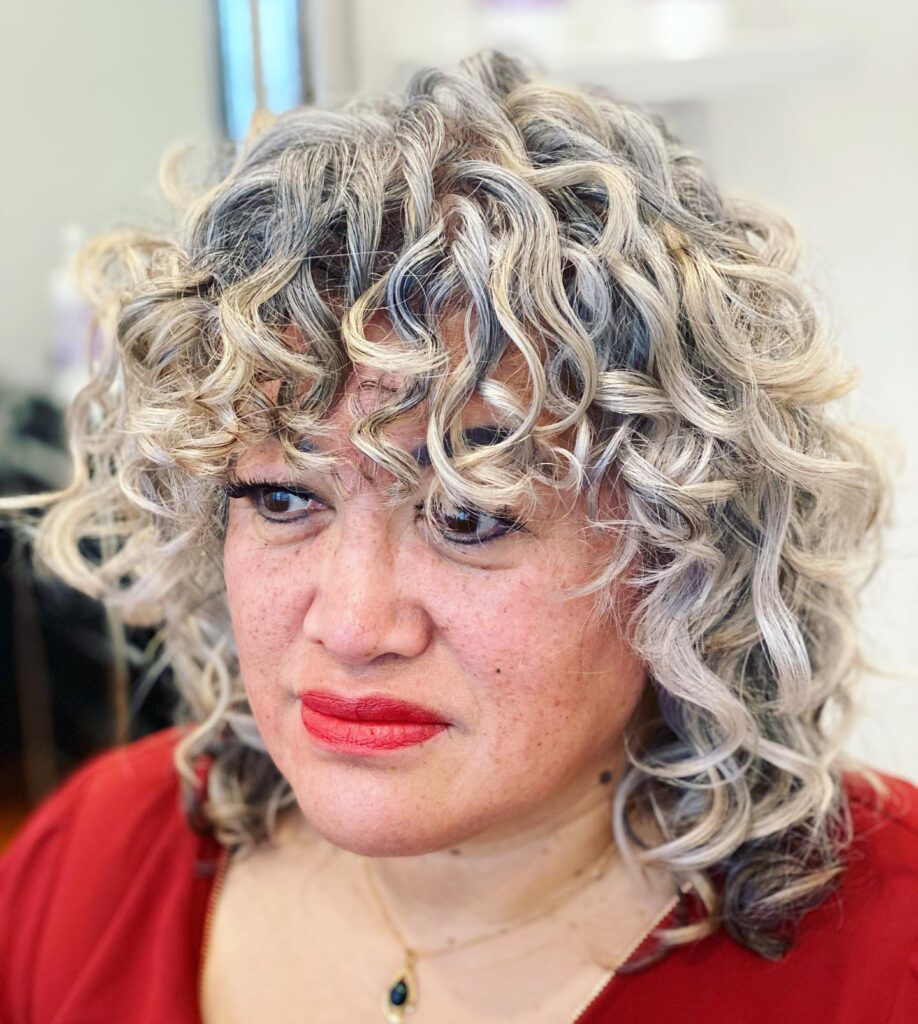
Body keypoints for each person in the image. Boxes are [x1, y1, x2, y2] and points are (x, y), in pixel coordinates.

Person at [1, 50, 916, 1024]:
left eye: (469, 517)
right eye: (281, 499)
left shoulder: (886, 956)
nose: (354, 627)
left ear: (688, 552)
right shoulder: (87, 865)